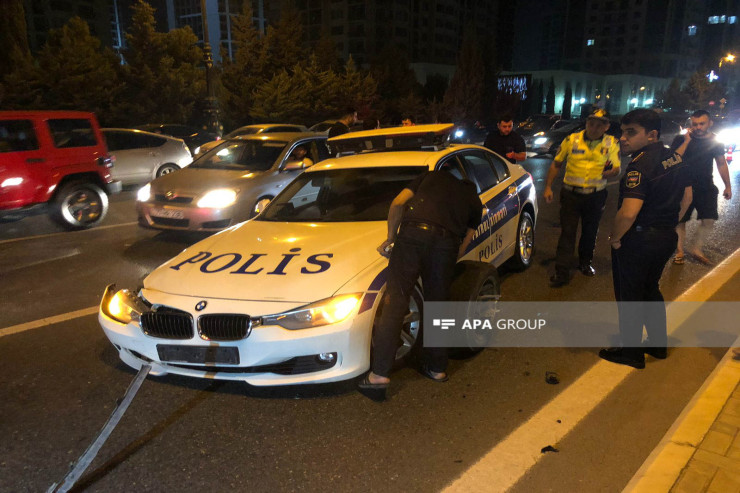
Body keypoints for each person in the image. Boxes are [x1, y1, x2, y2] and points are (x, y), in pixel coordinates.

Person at [358, 166, 482, 402]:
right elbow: (466, 241)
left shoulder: (432, 176)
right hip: (446, 245)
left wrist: (392, 238)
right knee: (439, 306)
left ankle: (379, 376)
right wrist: (445, 261)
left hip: (413, 236)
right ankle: (437, 369)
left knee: (395, 302)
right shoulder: (474, 201)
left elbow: (397, 203)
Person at [599, 109, 692, 369]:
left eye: (631, 132)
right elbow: (687, 197)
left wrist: (616, 238)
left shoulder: (639, 166)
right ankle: (657, 344)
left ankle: (631, 353)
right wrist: (670, 223)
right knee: (650, 289)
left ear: (652, 135)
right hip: (665, 237)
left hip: (639, 241)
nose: (623, 138)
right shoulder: (674, 158)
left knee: (630, 296)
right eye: (622, 131)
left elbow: (628, 213)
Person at [543, 108, 621, 287]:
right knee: (567, 232)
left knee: (590, 231)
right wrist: (547, 187)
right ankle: (561, 271)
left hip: (596, 195)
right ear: (586, 123)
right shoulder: (571, 140)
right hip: (571, 194)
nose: (594, 128)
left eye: (599, 125)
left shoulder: (611, 144)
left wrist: (611, 172)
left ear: (606, 126)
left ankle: (585, 263)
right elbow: (556, 164)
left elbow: (616, 168)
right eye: (591, 123)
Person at [669, 110, 732, 265]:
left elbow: (721, 163)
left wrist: (727, 186)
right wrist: (686, 141)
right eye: (694, 124)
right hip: (683, 185)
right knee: (680, 220)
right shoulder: (681, 139)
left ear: (710, 123)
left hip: (705, 185)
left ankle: (697, 248)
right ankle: (679, 251)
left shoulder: (715, 142)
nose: (697, 127)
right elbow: (672, 159)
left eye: (701, 123)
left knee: (709, 219)